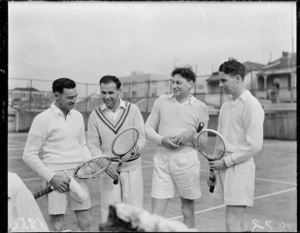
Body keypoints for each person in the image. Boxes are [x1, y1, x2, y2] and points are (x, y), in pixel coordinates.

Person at [23, 78, 92, 232]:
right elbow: (28, 155)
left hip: (78, 175)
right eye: (69, 97)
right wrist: (52, 177)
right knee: (58, 225)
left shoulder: (78, 116)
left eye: (76, 96)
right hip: (55, 176)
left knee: (86, 222)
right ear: (56, 95)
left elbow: (82, 144)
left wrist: (88, 165)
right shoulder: (42, 119)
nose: (74, 100)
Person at [144, 67, 209, 228]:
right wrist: (162, 139)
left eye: (178, 82)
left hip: (187, 162)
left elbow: (204, 142)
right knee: (156, 215)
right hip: (162, 160)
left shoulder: (201, 107)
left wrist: (192, 134)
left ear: (191, 83)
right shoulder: (161, 101)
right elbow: (148, 128)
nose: (174, 86)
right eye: (172, 82)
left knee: (187, 210)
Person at [208, 59, 265, 232]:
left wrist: (226, 162)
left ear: (238, 79)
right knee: (240, 223)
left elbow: (254, 145)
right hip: (224, 167)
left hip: (240, 169)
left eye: (224, 80)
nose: (220, 84)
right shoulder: (226, 106)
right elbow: (220, 140)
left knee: (232, 222)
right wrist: (213, 170)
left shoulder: (252, 105)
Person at [87, 75, 146, 223]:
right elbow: (93, 144)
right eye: (103, 92)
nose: (107, 96)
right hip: (108, 170)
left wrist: (134, 151)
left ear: (119, 90)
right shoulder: (95, 115)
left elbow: (142, 138)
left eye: (111, 92)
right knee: (110, 213)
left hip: (132, 168)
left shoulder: (133, 110)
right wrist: (104, 165)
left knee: (134, 212)